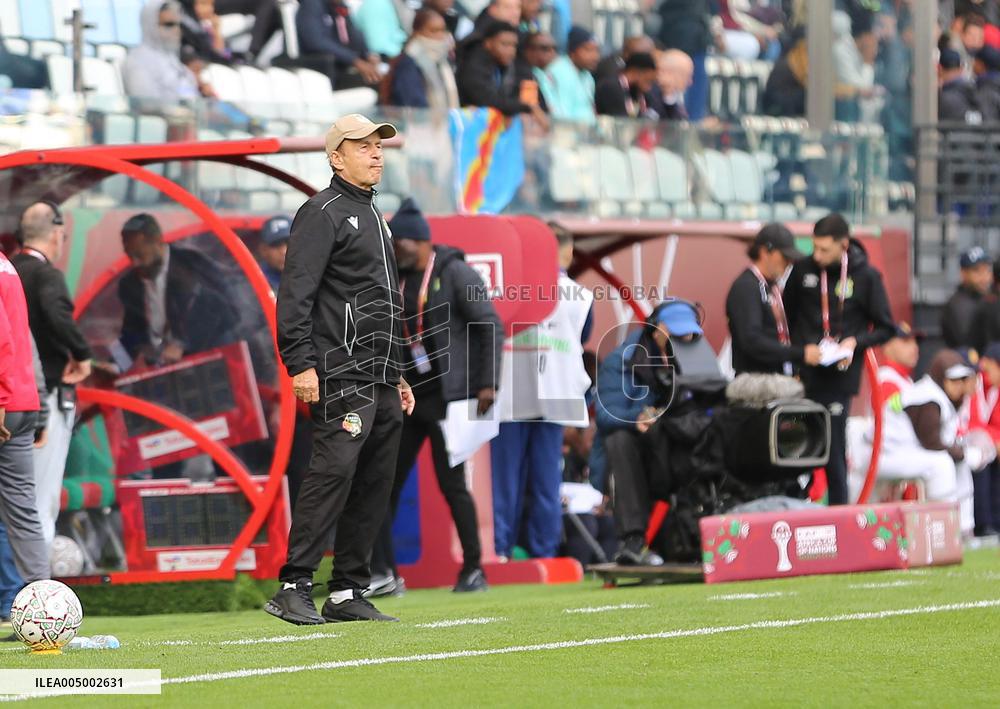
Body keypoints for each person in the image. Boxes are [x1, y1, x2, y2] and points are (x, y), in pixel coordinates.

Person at [265, 114, 414, 625]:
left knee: (374, 481)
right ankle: (294, 583)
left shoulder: (375, 216)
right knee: (332, 473)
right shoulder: (321, 212)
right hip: (339, 369)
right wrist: (301, 363)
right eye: (364, 146)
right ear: (336, 158)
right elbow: (296, 295)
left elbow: (383, 303)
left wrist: (397, 372)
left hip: (379, 374)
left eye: (380, 146)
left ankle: (348, 590)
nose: (376, 154)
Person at [370, 198, 503, 595]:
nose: (396, 250)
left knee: (452, 485)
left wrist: (487, 383)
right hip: (409, 396)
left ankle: (474, 569)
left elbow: (489, 325)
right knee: (386, 482)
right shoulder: (396, 276)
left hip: (451, 397)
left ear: (421, 241)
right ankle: (384, 573)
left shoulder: (456, 272)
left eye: (402, 243)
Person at [492, 224, 593, 561]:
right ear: (560, 250)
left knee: (506, 480)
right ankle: (544, 553)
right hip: (555, 391)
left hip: (511, 391)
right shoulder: (580, 295)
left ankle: (501, 550)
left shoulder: (505, 287)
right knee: (546, 480)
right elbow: (584, 337)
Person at [782, 213, 895, 505]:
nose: (817, 256)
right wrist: (795, 359)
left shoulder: (866, 276)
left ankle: (839, 516)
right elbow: (788, 318)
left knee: (833, 449)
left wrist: (856, 343)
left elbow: (885, 328)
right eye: (815, 248)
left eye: (825, 250)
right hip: (803, 374)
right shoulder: (802, 270)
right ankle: (795, 509)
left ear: (844, 244)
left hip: (839, 378)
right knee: (794, 446)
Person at [594, 301, 703, 565]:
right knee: (619, 440)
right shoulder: (620, 362)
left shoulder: (697, 358)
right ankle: (633, 539)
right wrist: (638, 417)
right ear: (658, 330)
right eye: (678, 333)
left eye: (689, 333)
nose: (685, 338)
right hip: (638, 454)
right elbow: (605, 414)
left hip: (679, 446)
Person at [11, 202, 92, 548]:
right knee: (40, 502)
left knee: (13, 503)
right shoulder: (47, 276)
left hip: (8, 400)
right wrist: (83, 355)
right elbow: (57, 316)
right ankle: (36, 592)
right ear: (57, 234)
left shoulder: (8, 271)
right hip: (44, 398)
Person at [852, 324, 959, 505]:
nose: (914, 347)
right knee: (941, 464)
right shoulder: (887, 379)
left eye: (915, 342)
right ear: (886, 346)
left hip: (896, 452)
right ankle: (943, 524)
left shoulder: (906, 381)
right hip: (883, 453)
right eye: (905, 341)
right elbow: (898, 431)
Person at [118, 214, 239, 367]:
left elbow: (227, 310)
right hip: (160, 366)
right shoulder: (130, 284)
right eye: (130, 256)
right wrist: (117, 364)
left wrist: (183, 344)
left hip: (206, 361)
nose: (135, 263)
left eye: (139, 255)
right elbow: (131, 330)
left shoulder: (192, 266)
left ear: (157, 242)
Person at [0, 250, 48, 620]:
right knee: (22, 513)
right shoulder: (7, 266)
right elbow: (24, 339)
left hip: (5, 400)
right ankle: (45, 607)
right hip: (23, 399)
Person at [726, 223, 820, 376]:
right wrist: (799, 353)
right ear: (765, 252)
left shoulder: (771, 286)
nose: (789, 263)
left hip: (778, 378)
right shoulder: (746, 287)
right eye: (784, 257)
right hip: (756, 384)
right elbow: (751, 340)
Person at [904, 349, 977, 535]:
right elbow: (931, 442)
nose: (958, 386)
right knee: (942, 464)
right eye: (953, 380)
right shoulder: (928, 395)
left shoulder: (941, 396)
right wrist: (962, 454)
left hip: (907, 451)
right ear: (940, 377)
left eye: (961, 380)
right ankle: (944, 531)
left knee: (957, 465)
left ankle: (963, 529)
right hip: (887, 451)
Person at [456, 20, 546, 123]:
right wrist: (526, 105)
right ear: (488, 43)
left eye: (514, 45)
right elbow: (489, 101)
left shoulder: (502, 64)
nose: (511, 51)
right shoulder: (473, 65)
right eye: (505, 44)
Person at [296, 0, 384, 90]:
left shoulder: (339, 7)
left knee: (383, 79)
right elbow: (316, 42)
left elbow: (354, 35)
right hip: (322, 70)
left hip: (342, 66)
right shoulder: (312, 4)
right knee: (375, 83)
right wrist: (355, 61)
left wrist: (367, 54)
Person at [123, 0, 200, 102]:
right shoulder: (137, 61)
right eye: (169, 24)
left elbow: (190, 95)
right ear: (151, 25)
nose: (177, 30)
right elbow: (146, 104)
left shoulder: (172, 60)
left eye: (179, 25)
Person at [385, 8, 460, 111]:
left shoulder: (442, 59)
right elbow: (413, 102)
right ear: (417, 32)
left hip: (444, 122)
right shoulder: (409, 62)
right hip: (419, 123)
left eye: (442, 30)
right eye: (433, 31)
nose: (440, 36)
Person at [963, 342, 1000, 536]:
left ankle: (994, 522)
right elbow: (972, 422)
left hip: (983, 442)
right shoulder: (974, 383)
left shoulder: (995, 388)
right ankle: (982, 523)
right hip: (965, 441)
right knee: (980, 456)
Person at [529, 27, 599, 124]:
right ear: (573, 51)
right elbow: (561, 115)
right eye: (588, 50)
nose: (595, 56)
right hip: (565, 133)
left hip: (586, 132)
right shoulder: (560, 70)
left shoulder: (587, 76)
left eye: (596, 50)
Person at [942, 247, 993, 349]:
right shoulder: (957, 305)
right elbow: (967, 345)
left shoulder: (990, 298)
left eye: (987, 270)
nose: (984, 277)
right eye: (977, 271)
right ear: (963, 274)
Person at [595, 52, 659, 118]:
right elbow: (621, 120)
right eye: (648, 81)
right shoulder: (611, 87)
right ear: (636, 72)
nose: (649, 88)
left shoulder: (639, 92)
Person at [179, 0, 233, 64]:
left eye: (211, 4)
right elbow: (213, 55)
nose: (209, 9)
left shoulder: (209, 26)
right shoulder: (188, 26)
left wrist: (216, 31)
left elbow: (226, 56)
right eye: (203, 4)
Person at [654, 49, 695, 121]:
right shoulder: (647, 95)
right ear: (670, 73)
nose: (690, 82)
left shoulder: (673, 98)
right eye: (687, 76)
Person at [257, 214, 291, 293]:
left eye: (290, 243)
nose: (284, 251)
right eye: (276, 245)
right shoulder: (253, 282)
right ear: (263, 250)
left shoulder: (313, 277)